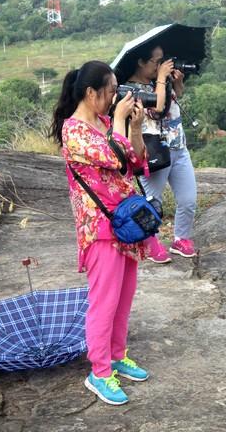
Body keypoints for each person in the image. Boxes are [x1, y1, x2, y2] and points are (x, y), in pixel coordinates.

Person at [50, 61, 149, 406]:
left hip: (128, 224)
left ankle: (118, 355)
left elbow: (135, 161)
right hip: (100, 228)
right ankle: (100, 371)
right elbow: (111, 156)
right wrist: (121, 122)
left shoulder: (106, 122)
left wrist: (134, 127)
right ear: (91, 93)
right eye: (110, 92)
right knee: (104, 303)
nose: (113, 99)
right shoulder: (73, 131)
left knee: (124, 297)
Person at [125, 45, 197, 263]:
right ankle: (151, 242)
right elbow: (155, 110)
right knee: (151, 202)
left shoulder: (161, 81)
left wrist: (176, 83)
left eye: (162, 61)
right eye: (156, 62)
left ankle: (181, 238)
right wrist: (162, 78)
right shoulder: (130, 88)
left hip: (178, 146)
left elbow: (174, 100)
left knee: (188, 200)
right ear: (141, 62)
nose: (160, 65)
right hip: (153, 151)